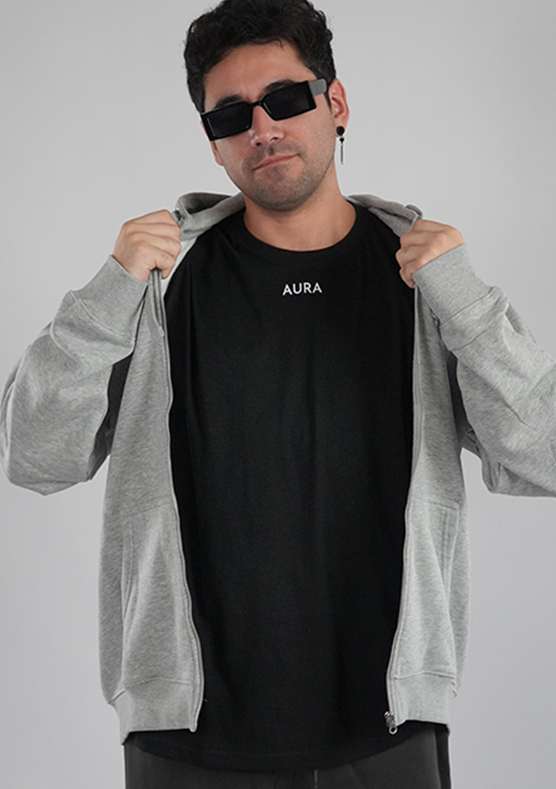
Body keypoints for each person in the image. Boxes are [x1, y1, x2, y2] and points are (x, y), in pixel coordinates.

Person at [2, 0, 556, 787]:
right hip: (186, 733)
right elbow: (35, 456)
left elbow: (544, 452)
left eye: (286, 99)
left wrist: (468, 302)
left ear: (336, 102)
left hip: (388, 722)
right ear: (214, 141)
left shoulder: (424, 282)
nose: (262, 128)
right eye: (231, 115)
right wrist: (108, 291)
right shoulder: (161, 280)